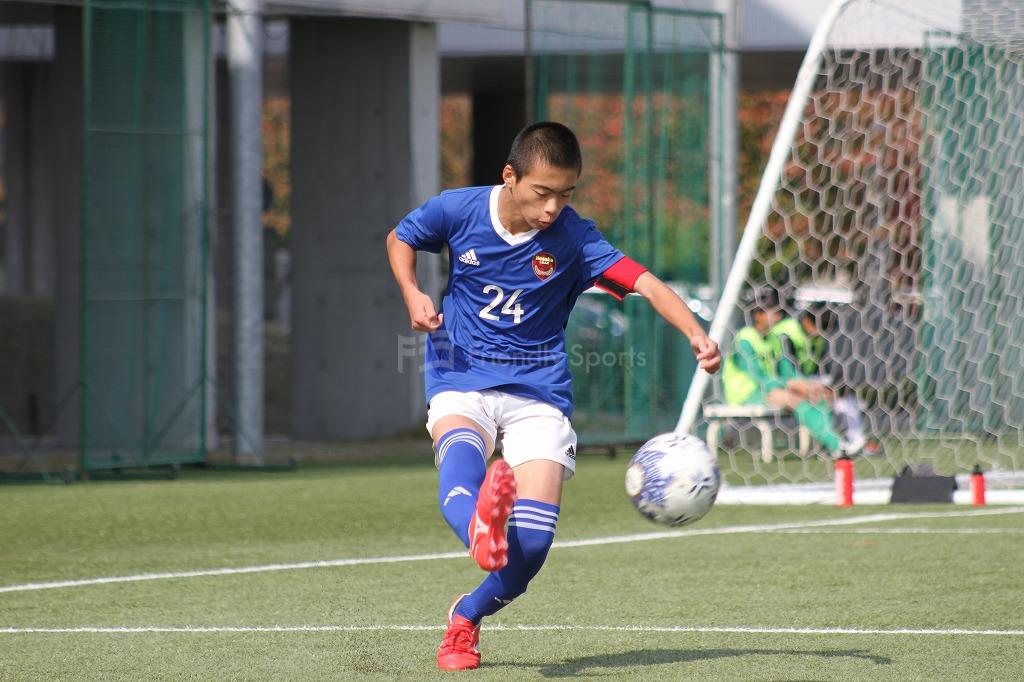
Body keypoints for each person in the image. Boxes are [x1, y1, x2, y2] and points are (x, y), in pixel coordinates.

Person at [385, 121, 721, 671]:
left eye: (565, 194)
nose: (552, 208)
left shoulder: (576, 238)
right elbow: (400, 237)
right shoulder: (458, 210)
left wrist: (695, 333)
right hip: (459, 374)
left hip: (538, 394)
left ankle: (466, 615)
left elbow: (647, 284)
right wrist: (412, 291)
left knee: (533, 548)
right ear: (511, 177)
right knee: (462, 465)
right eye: (542, 193)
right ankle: (481, 534)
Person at [722, 295, 846, 454]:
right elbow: (756, 375)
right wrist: (788, 385)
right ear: (758, 315)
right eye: (773, 312)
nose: (778, 316)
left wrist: (807, 386)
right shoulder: (745, 339)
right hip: (746, 393)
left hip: (771, 389)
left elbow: (787, 372)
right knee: (794, 399)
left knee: (818, 394)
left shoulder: (775, 338)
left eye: (779, 313)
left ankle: (834, 444)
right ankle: (836, 446)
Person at [771, 309, 875, 454]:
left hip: (807, 380)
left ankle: (857, 442)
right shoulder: (786, 333)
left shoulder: (817, 338)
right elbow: (786, 373)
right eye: (820, 326)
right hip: (783, 384)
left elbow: (820, 368)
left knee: (844, 395)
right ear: (807, 321)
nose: (821, 332)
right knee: (821, 396)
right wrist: (812, 387)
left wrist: (829, 385)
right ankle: (836, 444)